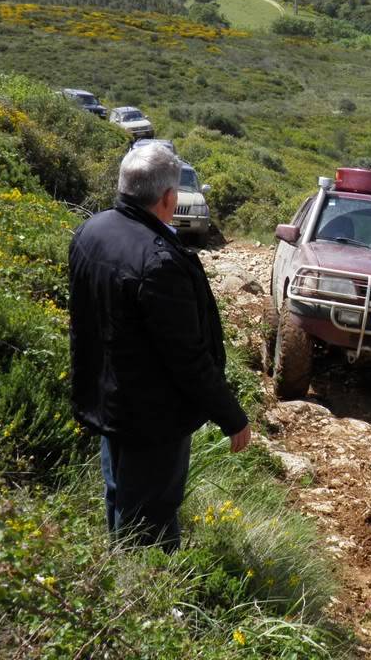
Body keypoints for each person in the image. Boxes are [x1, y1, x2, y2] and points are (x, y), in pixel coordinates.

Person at [68, 144, 251, 552]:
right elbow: (187, 356)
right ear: (169, 198)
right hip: (151, 417)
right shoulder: (159, 262)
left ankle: (112, 582)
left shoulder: (91, 231)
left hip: (108, 400)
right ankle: (141, 603)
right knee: (149, 525)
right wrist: (232, 416)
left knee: (119, 498)